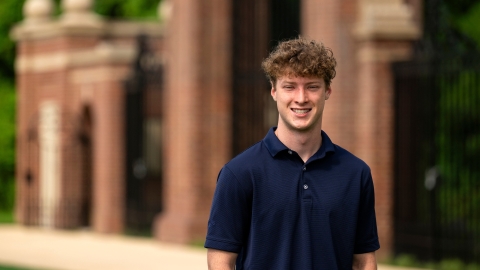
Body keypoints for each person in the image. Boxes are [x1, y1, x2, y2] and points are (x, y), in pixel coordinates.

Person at [205, 37, 380, 270]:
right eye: (289, 86)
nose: (301, 98)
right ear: (274, 91)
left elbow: (363, 261)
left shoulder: (355, 174)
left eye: (312, 86)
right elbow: (220, 261)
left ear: (327, 91)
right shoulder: (239, 174)